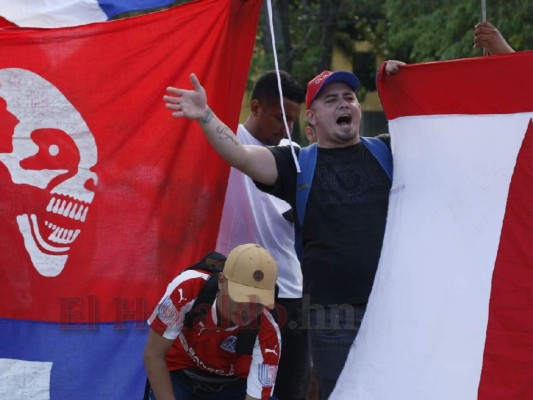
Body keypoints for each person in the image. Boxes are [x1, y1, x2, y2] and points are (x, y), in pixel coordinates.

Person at [163, 61, 404, 400]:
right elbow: (240, 155)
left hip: (395, 308)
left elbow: (438, 129)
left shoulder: (389, 150)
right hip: (331, 318)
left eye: (348, 97)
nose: (342, 104)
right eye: (330, 99)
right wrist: (205, 115)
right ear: (312, 118)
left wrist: (401, 83)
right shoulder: (297, 164)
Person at [215, 70, 311, 400]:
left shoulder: (295, 157)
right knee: (234, 386)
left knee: (289, 387)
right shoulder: (228, 143)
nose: (286, 129)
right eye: (278, 118)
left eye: (292, 121)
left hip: (289, 290)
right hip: (236, 291)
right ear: (255, 107)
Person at [144, 244, 281, 400]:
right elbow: (153, 354)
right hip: (180, 375)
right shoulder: (187, 288)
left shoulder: (268, 331)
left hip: (235, 387)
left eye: (258, 302)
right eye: (241, 297)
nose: (248, 309)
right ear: (221, 281)